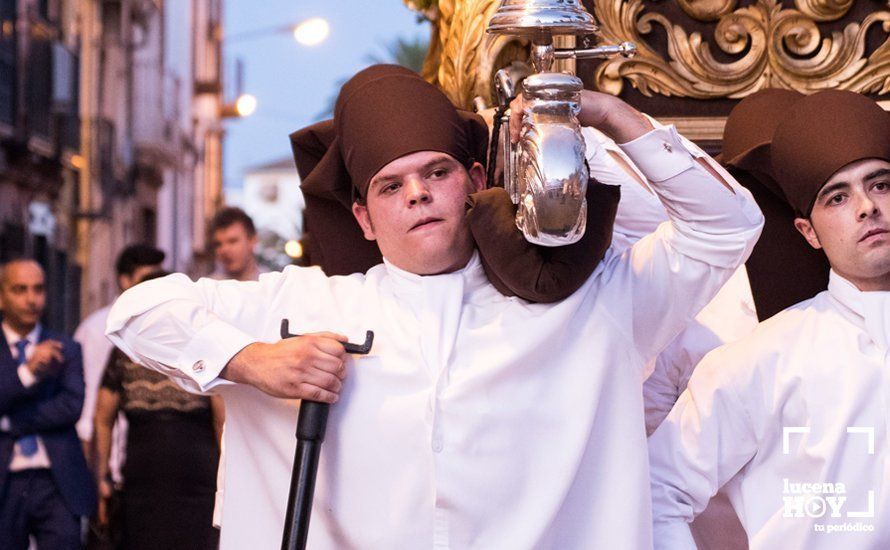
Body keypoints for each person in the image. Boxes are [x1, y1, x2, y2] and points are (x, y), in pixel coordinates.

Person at [106, 64, 763, 549]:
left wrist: (605, 115)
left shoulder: (596, 304)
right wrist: (251, 361)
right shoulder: (308, 301)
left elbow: (728, 225)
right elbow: (137, 312)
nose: (417, 194)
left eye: (438, 173)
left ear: (477, 182)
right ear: (363, 217)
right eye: (391, 186)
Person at [648, 90, 890, 549]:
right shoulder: (759, 361)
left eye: (880, 184)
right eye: (837, 197)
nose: (867, 207)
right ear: (809, 233)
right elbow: (657, 491)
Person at [94, 270, 223, 549]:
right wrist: (101, 477)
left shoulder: (201, 346)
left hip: (198, 478)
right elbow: (103, 418)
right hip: (143, 479)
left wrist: (226, 482)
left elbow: (221, 419)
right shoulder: (125, 353)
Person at [0, 259, 96, 549]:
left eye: (39, 289)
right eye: (20, 290)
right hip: (6, 480)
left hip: (55, 479)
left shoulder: (65, 347)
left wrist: (10, 421)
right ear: (2, 296)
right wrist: (28, 372)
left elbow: (71, 406)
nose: (32, 299)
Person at [74, 244, 165, 464]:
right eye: (147, 278)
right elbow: (88, 403)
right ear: (125, 280)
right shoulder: (97, 328)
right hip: (109, 455)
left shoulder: (162, 326)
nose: (154, 286)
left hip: (149, 454)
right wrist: (97, 468)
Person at [209, 207, 266, 281]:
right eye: (218, 244)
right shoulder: (208, 289)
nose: (224, 250)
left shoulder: (270, 286)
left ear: (252, 240)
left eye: (232, 241)